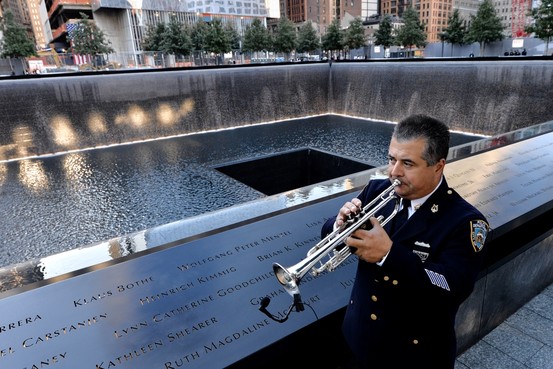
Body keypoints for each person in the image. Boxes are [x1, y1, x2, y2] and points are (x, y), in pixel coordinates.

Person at [321, 114, 490, 369]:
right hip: (358, 338)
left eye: (407, 163)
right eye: (391, 159)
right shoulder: (376, 190)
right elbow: (333, 239)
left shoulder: (466, 222)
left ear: (438, 166)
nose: (394, 172)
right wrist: (339, 226)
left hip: (412, 355)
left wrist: (389, 255)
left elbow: (453, 287)